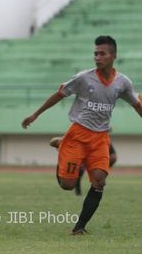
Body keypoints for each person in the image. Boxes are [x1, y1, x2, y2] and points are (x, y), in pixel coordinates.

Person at [22, 35, 142, 235]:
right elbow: (59, 94)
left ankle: (79, 228)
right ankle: (63, 145)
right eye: (95, 53)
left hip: (101, 138)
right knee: (67, 185)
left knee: (99, 180)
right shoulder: (83, 78)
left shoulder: (123, 83)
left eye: (102, 53)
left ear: (113, 56)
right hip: (77, 135)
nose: (97, 57)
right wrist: (36, 114)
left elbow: (137, 105)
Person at [49, 136, 117, 196]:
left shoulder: (102, 138)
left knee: (98, 178)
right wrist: (61, 141)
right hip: (76, 157)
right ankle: (74, 185)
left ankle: (80, 191)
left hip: (90, 159)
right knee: (66, 184)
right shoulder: (77, 134)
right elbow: (52, 142)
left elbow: (113, 155)